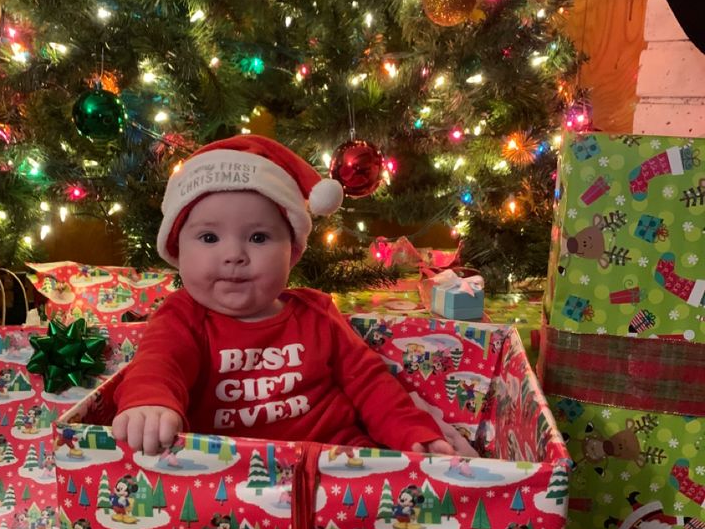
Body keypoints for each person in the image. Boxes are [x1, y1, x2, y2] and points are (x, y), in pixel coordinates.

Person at [111, 135, 477, 459]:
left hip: (338, 464)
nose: (234, 254)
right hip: (229, 477)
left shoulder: (315, 312)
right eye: (209, 238)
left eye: (258, 238)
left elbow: (371, 383)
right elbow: (159, 363)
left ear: (294, 253)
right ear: (177, 250)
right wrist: (149, 401)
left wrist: (411, 433)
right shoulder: (182, 317)